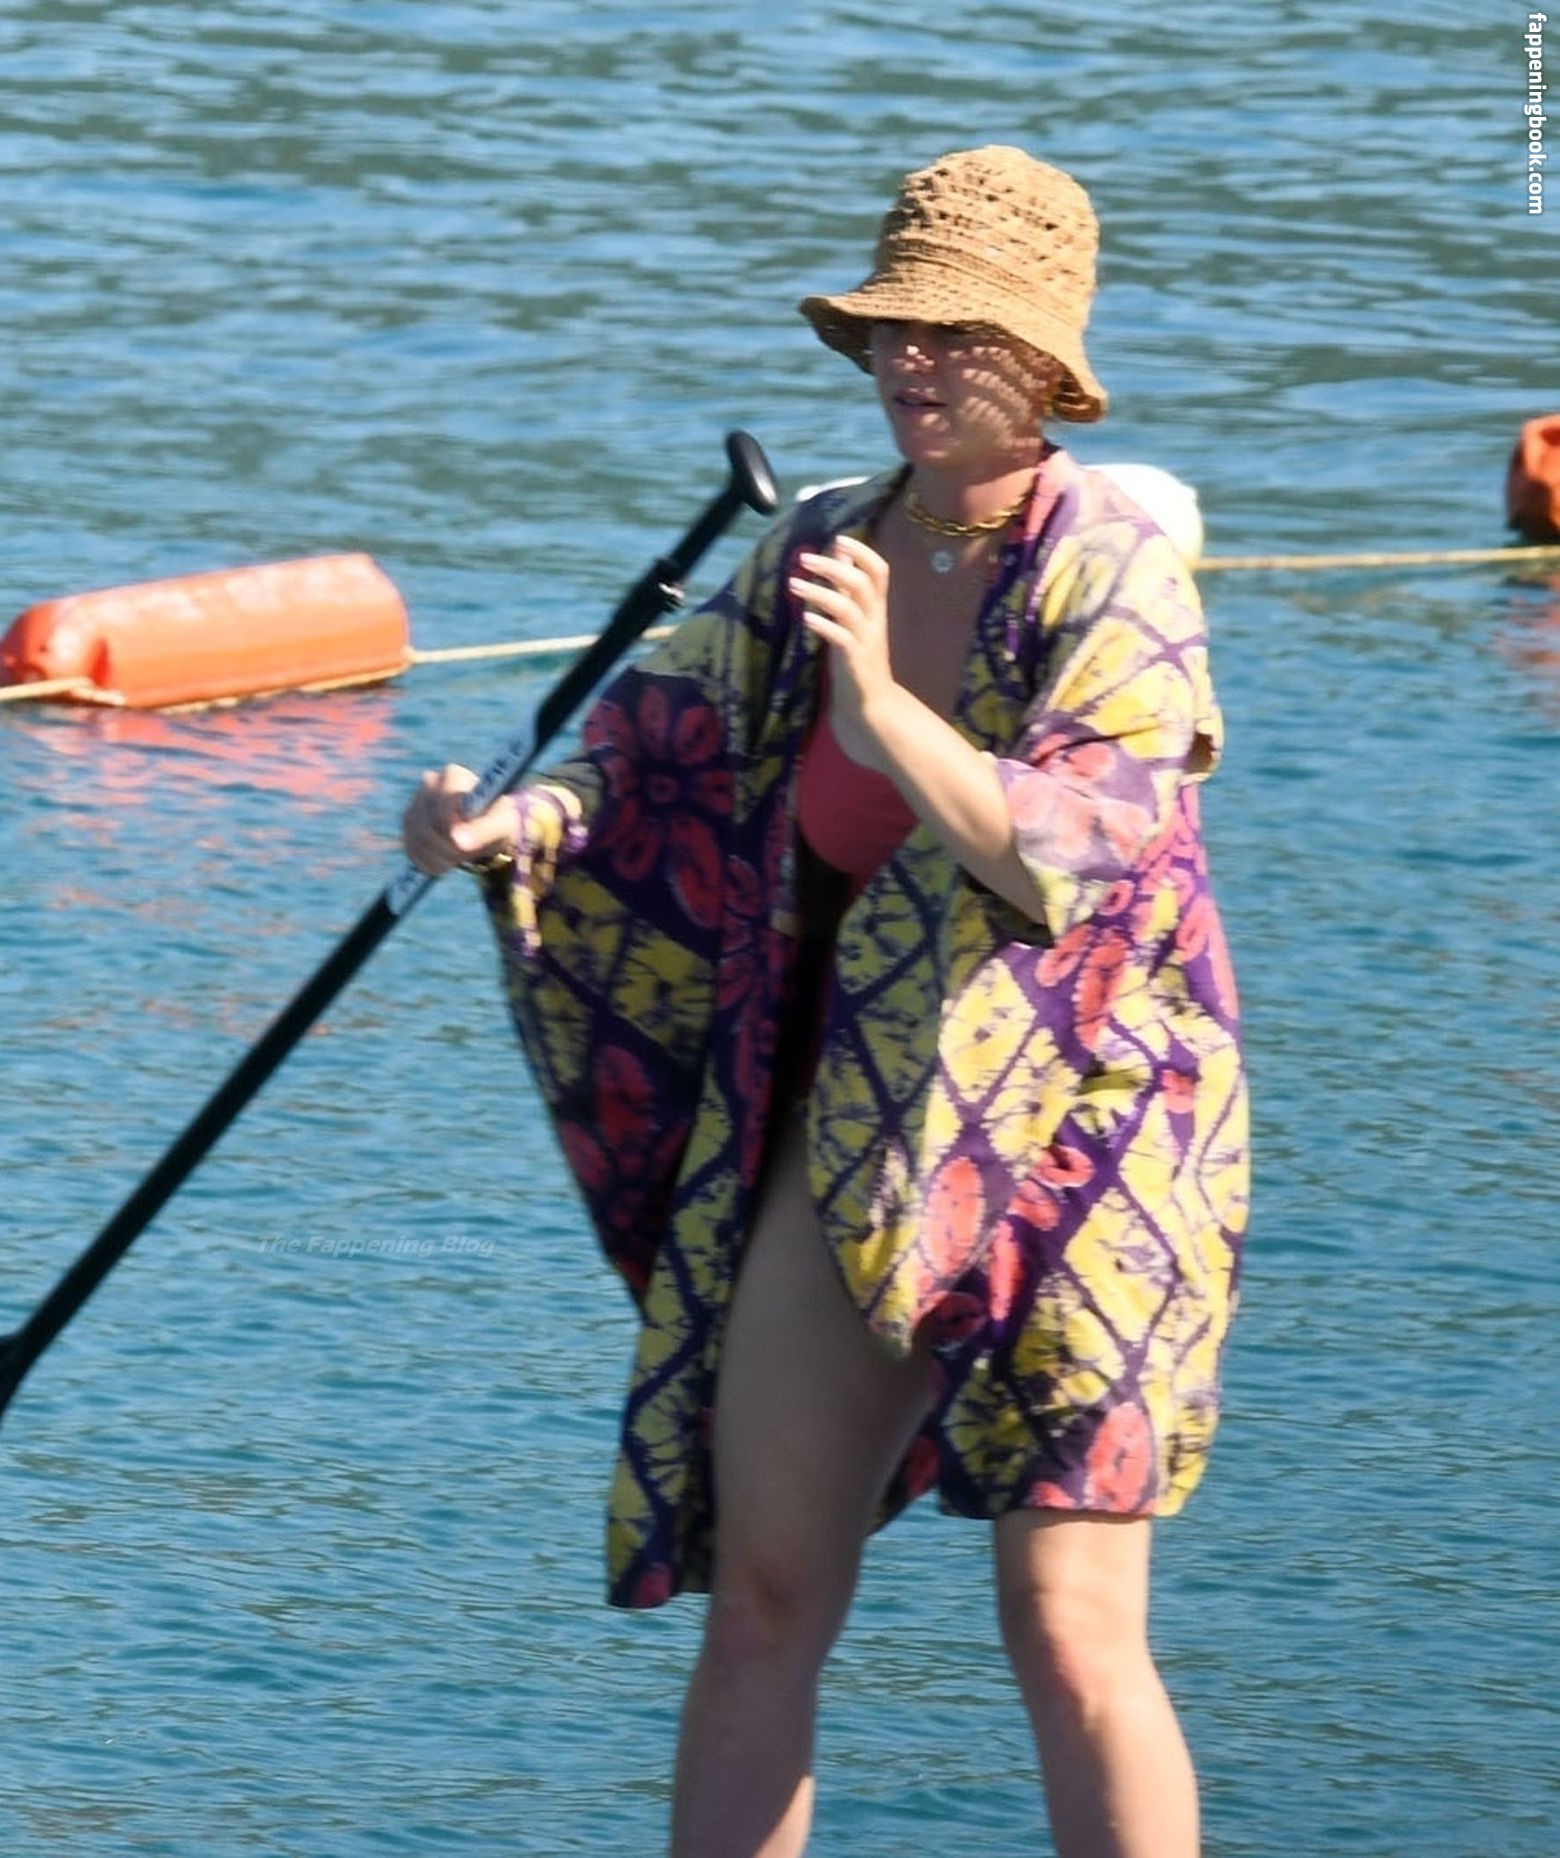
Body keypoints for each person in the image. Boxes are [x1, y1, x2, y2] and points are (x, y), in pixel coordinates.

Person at [402, 145, 1248, 1858]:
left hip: (1093, 1136)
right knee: (766, 1595)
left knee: (1067, 1624)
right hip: (864, 1124)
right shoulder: (822, 545)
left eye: (957, 332)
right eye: (891, 329)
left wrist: (881, 703)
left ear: (1043, 357)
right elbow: (652, 750)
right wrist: (510, 824)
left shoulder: (1114, 569)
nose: (911, 361)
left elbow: (1074, 851)